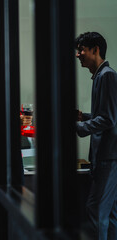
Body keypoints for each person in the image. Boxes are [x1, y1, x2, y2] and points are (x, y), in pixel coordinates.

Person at [75, 32, 117, 240]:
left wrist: (78, 126)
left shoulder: (106, 75)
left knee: (96, 209)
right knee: (110, 214)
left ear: (96, 50)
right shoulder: (102, 75)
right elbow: (106, 116)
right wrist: (84, 117)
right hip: (108, 157)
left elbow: (109, 119)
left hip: (108, 158)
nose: (78, 54)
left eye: (81, 49)